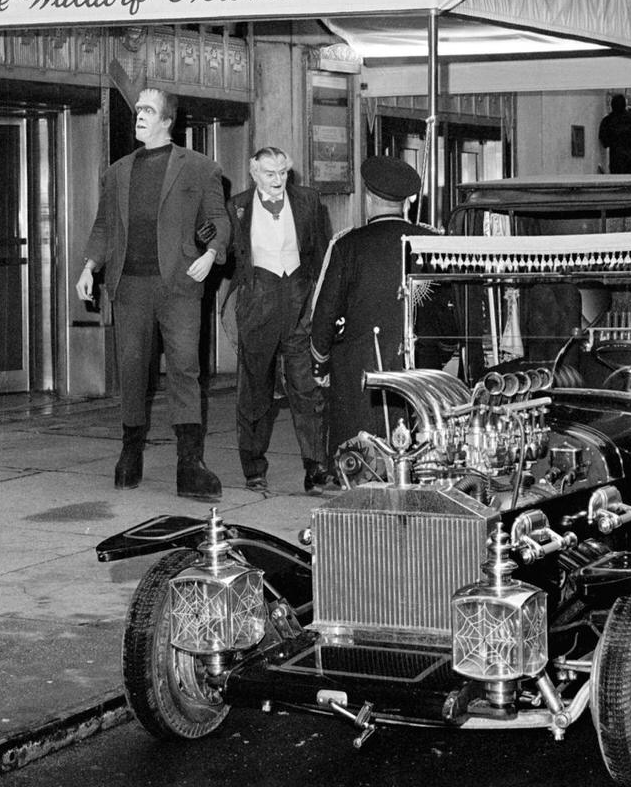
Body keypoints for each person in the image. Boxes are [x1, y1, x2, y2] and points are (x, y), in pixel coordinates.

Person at [75, 88, 230, 498]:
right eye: (138, 109)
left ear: (167, 121)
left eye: (148, 110)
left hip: (179, 284)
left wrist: (211, 253)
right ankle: (130, 453)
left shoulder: (200, 168)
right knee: (131, 368)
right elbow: (104, 225)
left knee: (185, 368)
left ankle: (189, 463)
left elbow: (218, 219)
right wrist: (89, 266)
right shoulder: (117, 171)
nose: (139, 116)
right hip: (129, 285)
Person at [309, 156, 438, 451]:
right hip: (422, 368)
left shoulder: (347, 245)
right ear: (406, 203)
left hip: (360, 372)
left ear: (368, 198)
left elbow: (325, 314)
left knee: (360, 458)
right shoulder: (432, 242)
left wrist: (320, 364)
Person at [225, 147, 333, 496]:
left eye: (283, 172)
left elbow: (322, 253)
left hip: (299, 298)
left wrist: (322, 300)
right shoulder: (237, 206)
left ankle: (315, 466)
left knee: (307, 386)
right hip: (258, 299)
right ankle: (254, 467)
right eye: (270, 173)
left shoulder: (308, 201)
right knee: (254, 390)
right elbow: (225, 251)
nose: (278, 180)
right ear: (254, 172)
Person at [597, 94, 631, 173]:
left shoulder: (607, 121)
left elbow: (604, 142)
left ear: (612, 105)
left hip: (616, 160)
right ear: (625, 105)